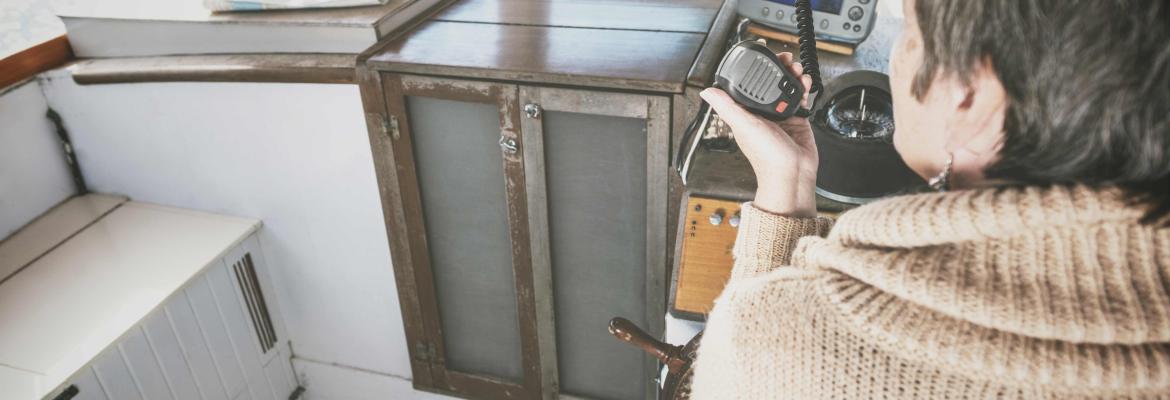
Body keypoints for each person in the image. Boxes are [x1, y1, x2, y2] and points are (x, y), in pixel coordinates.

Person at [690, 0, 1170, 398]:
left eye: (911, 33)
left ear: (969, 96)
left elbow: (744, 370)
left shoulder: (786, 342)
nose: (900, 56)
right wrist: (790, 180)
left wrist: (782, 203)